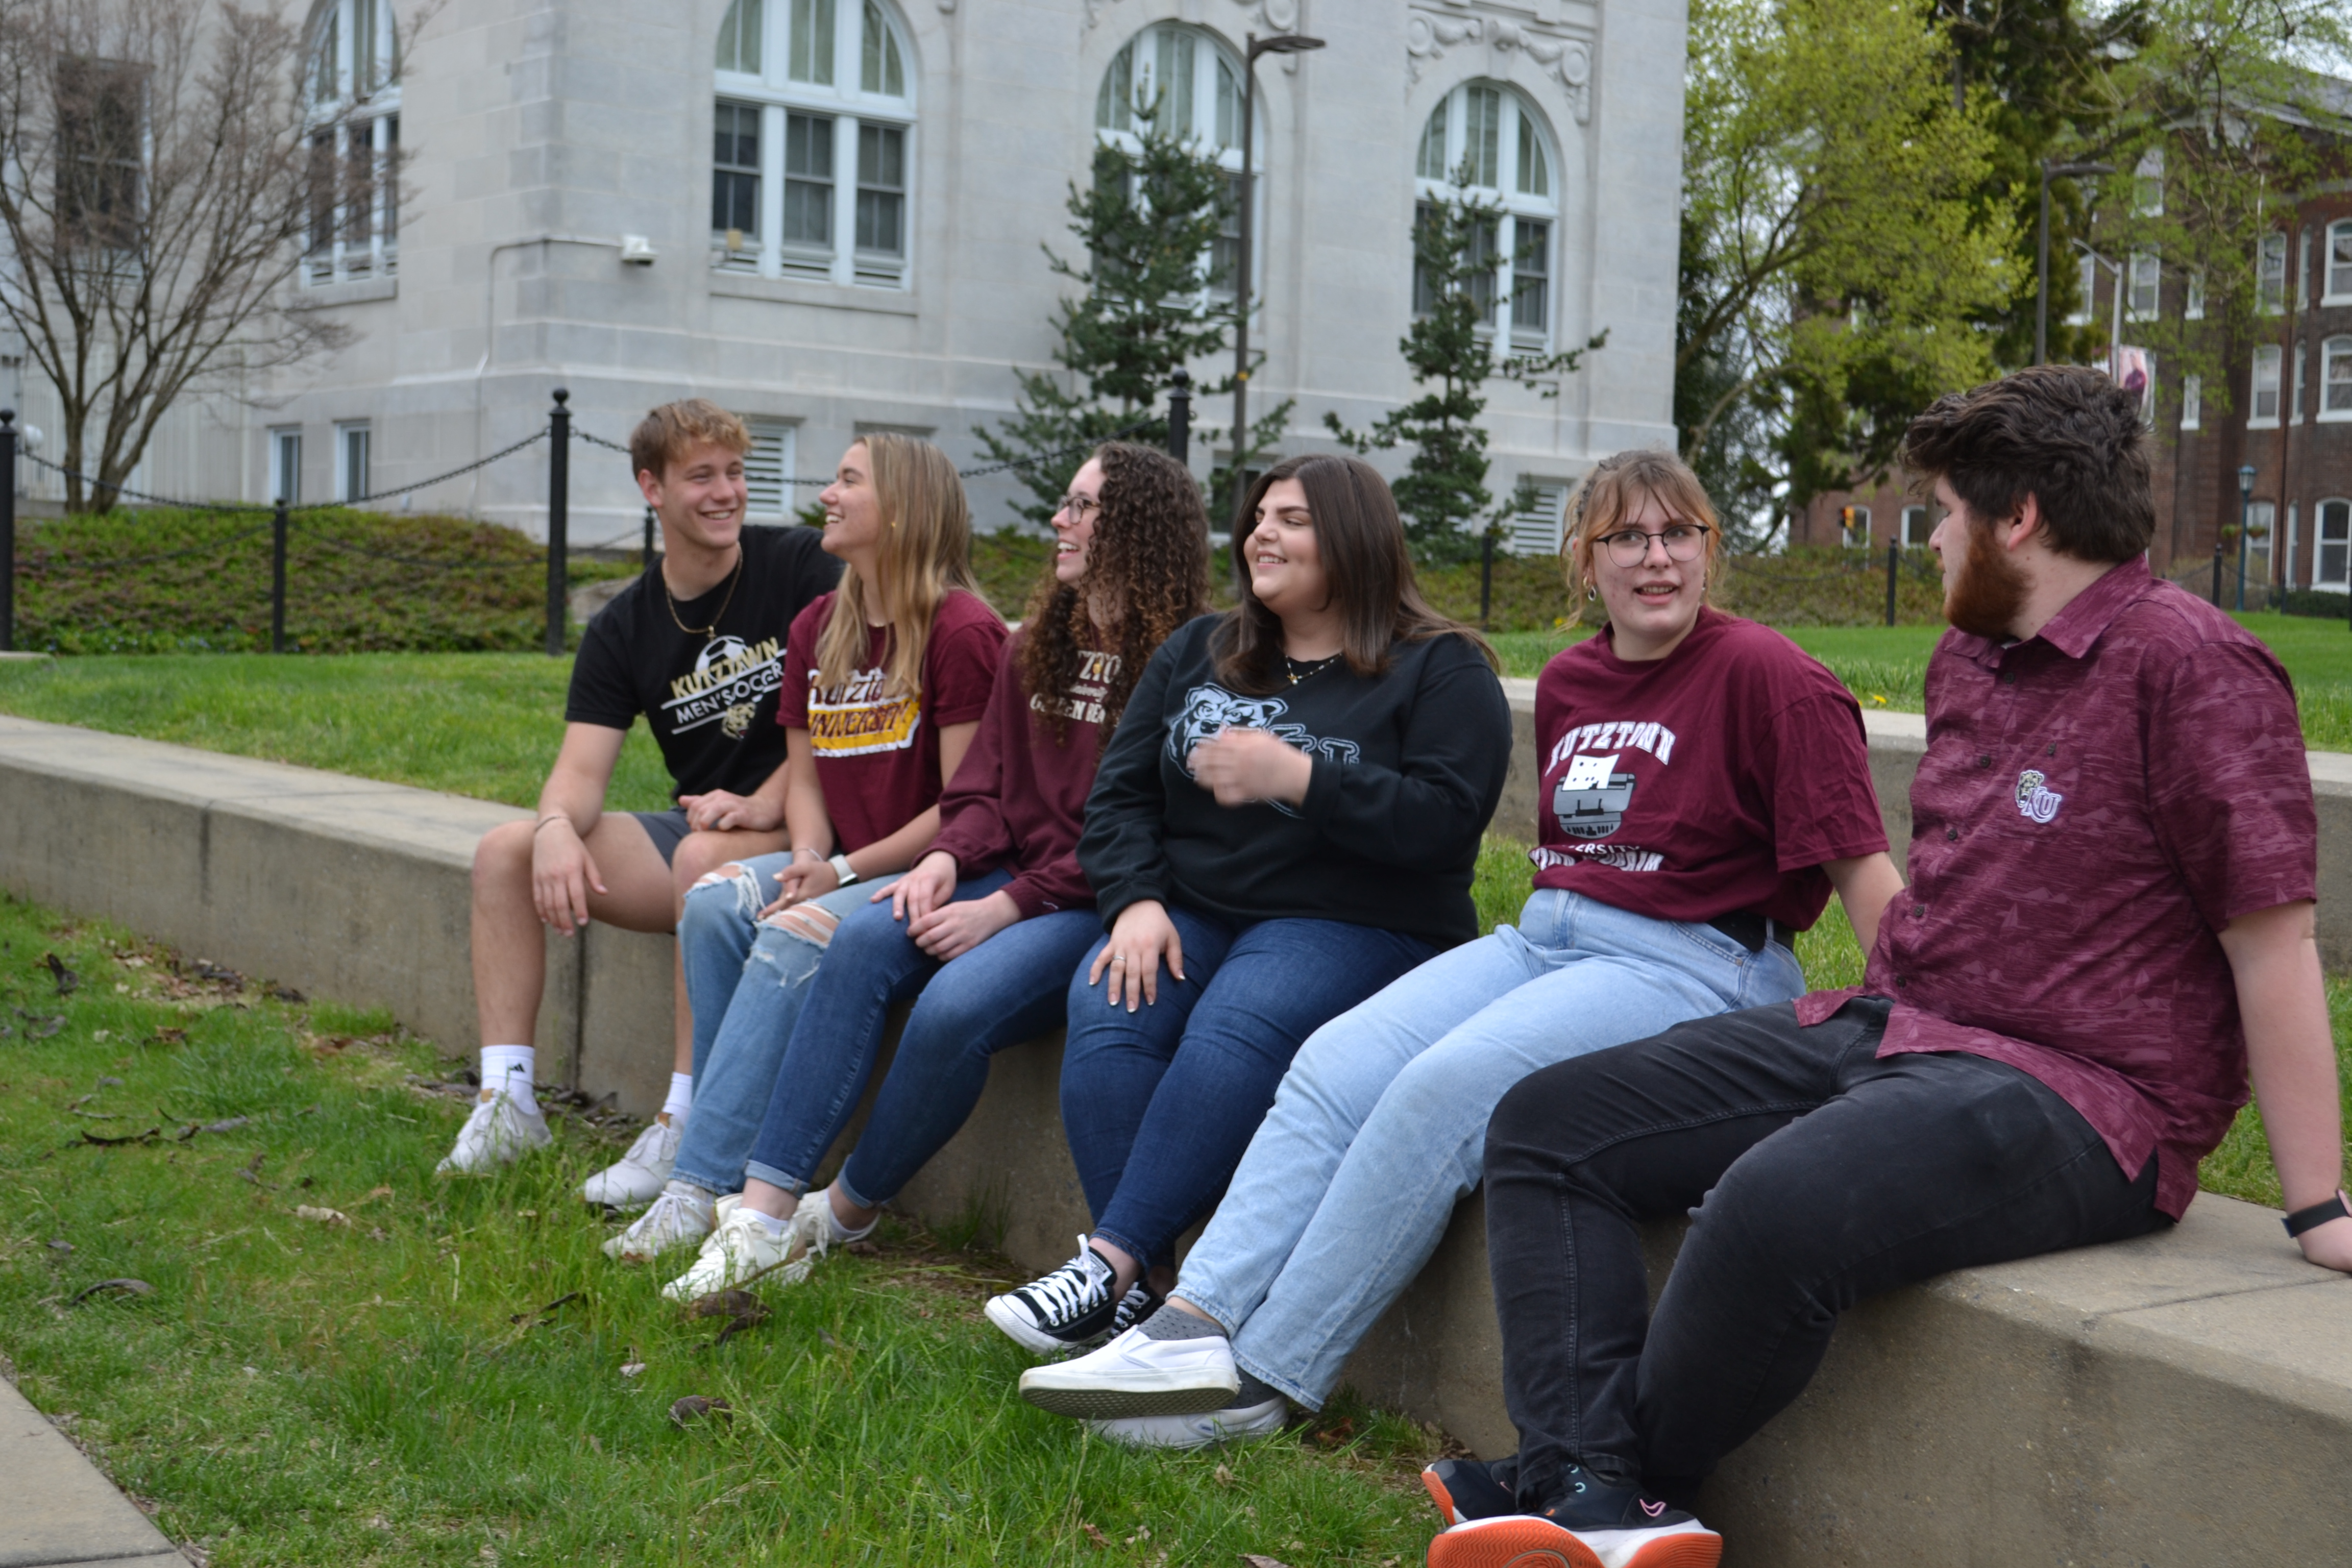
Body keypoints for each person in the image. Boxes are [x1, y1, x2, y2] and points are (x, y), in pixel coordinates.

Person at [1421, 365, 2352, 1568]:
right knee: (1549, 1123)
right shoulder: (1972, 659)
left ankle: (1617, 1494)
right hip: (1900, 1024)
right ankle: (1588, 1487)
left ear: (2018, 518)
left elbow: (2272, 947)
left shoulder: (2196, 668)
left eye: (1949, 515)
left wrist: (2319, 1207)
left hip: (2083, 1094)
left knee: (1772, 1203)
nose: (1937, 541)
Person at [1017, 449, 1905, 1451]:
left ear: (1710, 550)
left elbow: (1862, 874)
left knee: (1439, 1090)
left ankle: (1267, 1380)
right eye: (1626, 538)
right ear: (1584, 561)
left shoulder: (1772, 677)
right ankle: (1194, 1325)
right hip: (1551, 935)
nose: (1656, 560)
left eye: (1680, 535)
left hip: (1695, 960)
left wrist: (1912, 1038)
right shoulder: (1574, 681)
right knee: (1335, 1065)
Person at [980, 452, 1515, 1357]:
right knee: (1111, 998)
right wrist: (1135, 901)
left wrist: (1302, 777)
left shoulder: (1441, 668)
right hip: (1195, 906)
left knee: (1240, 1019)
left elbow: (1443, 824)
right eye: (1260, 516)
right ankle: (1144, 1296)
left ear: (1354, 537)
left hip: (1356, 919)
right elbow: (1117, 799)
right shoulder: (1200, 649)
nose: (1262, 533)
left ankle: (1106, 1259)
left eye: (1293, 519)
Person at [657, 443, 1215, 1299]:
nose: (1058, 522)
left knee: (953, 1006)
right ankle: (760, 1218)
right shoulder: (1039, 647)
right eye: (1064, 503)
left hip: (1093, 901)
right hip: (999, 874)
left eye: (1082, 507)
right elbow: (980, 786)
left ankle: (845, 1207)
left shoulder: (1183, 662)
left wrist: (1009, 907)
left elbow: (1144, 826)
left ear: (1138, 526)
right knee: (859, 943)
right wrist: (949, 857)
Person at [602, 433, 1005, 1262]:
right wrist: (809, 858)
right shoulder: (823, 622)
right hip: (844, 863)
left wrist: (841, 874)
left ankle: (701, 1184)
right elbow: (808, 776)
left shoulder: (961, 631)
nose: (826, 494)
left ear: (900, 510)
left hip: (937, 875)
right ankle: (719, 1148)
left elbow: (966, 806)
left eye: (847, 481)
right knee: (717, 902)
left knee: (792, 931)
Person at [439, 400, 838, 1189]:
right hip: (702, 828)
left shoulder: (799, 567)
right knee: (506, 854)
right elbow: (581, 772)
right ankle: (509, 1100)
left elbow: (844, 718)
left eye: (735, 473)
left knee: (701, 857)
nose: (726, 493)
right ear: (651, 489)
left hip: (814, 822)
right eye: (702, 477)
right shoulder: (625, 624)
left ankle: (685, 1123)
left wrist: (763, 800)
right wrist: (555, 825)